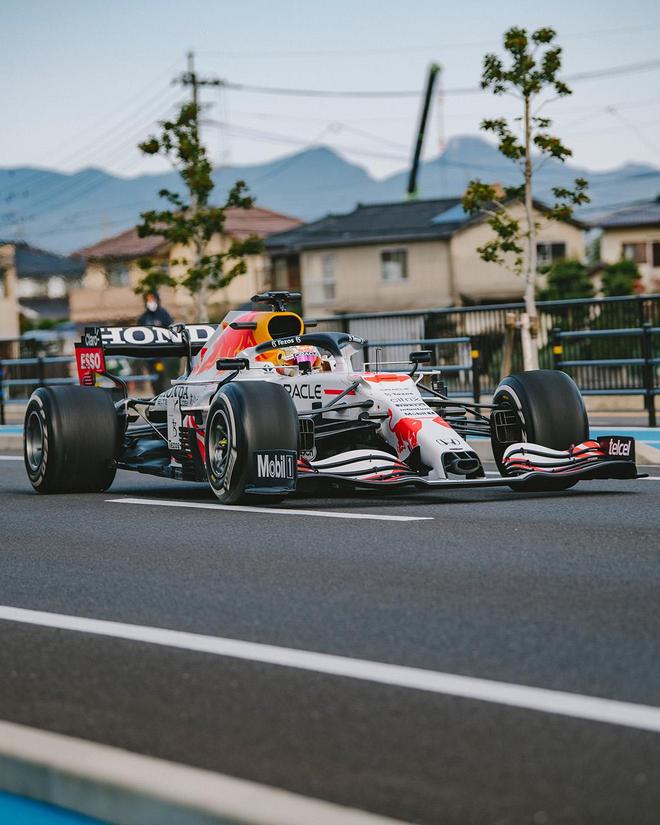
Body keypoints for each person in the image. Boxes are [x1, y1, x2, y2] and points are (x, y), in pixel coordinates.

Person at [137, 292, 173, 394]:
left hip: (164, 354)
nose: (150, 302)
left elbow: (171, 329)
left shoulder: (163, 314)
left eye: (152, 299)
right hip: (150, 355)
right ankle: (156, 396)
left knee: (164, 377)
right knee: (154, 379)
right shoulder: (144, 317)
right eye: (148, 300)